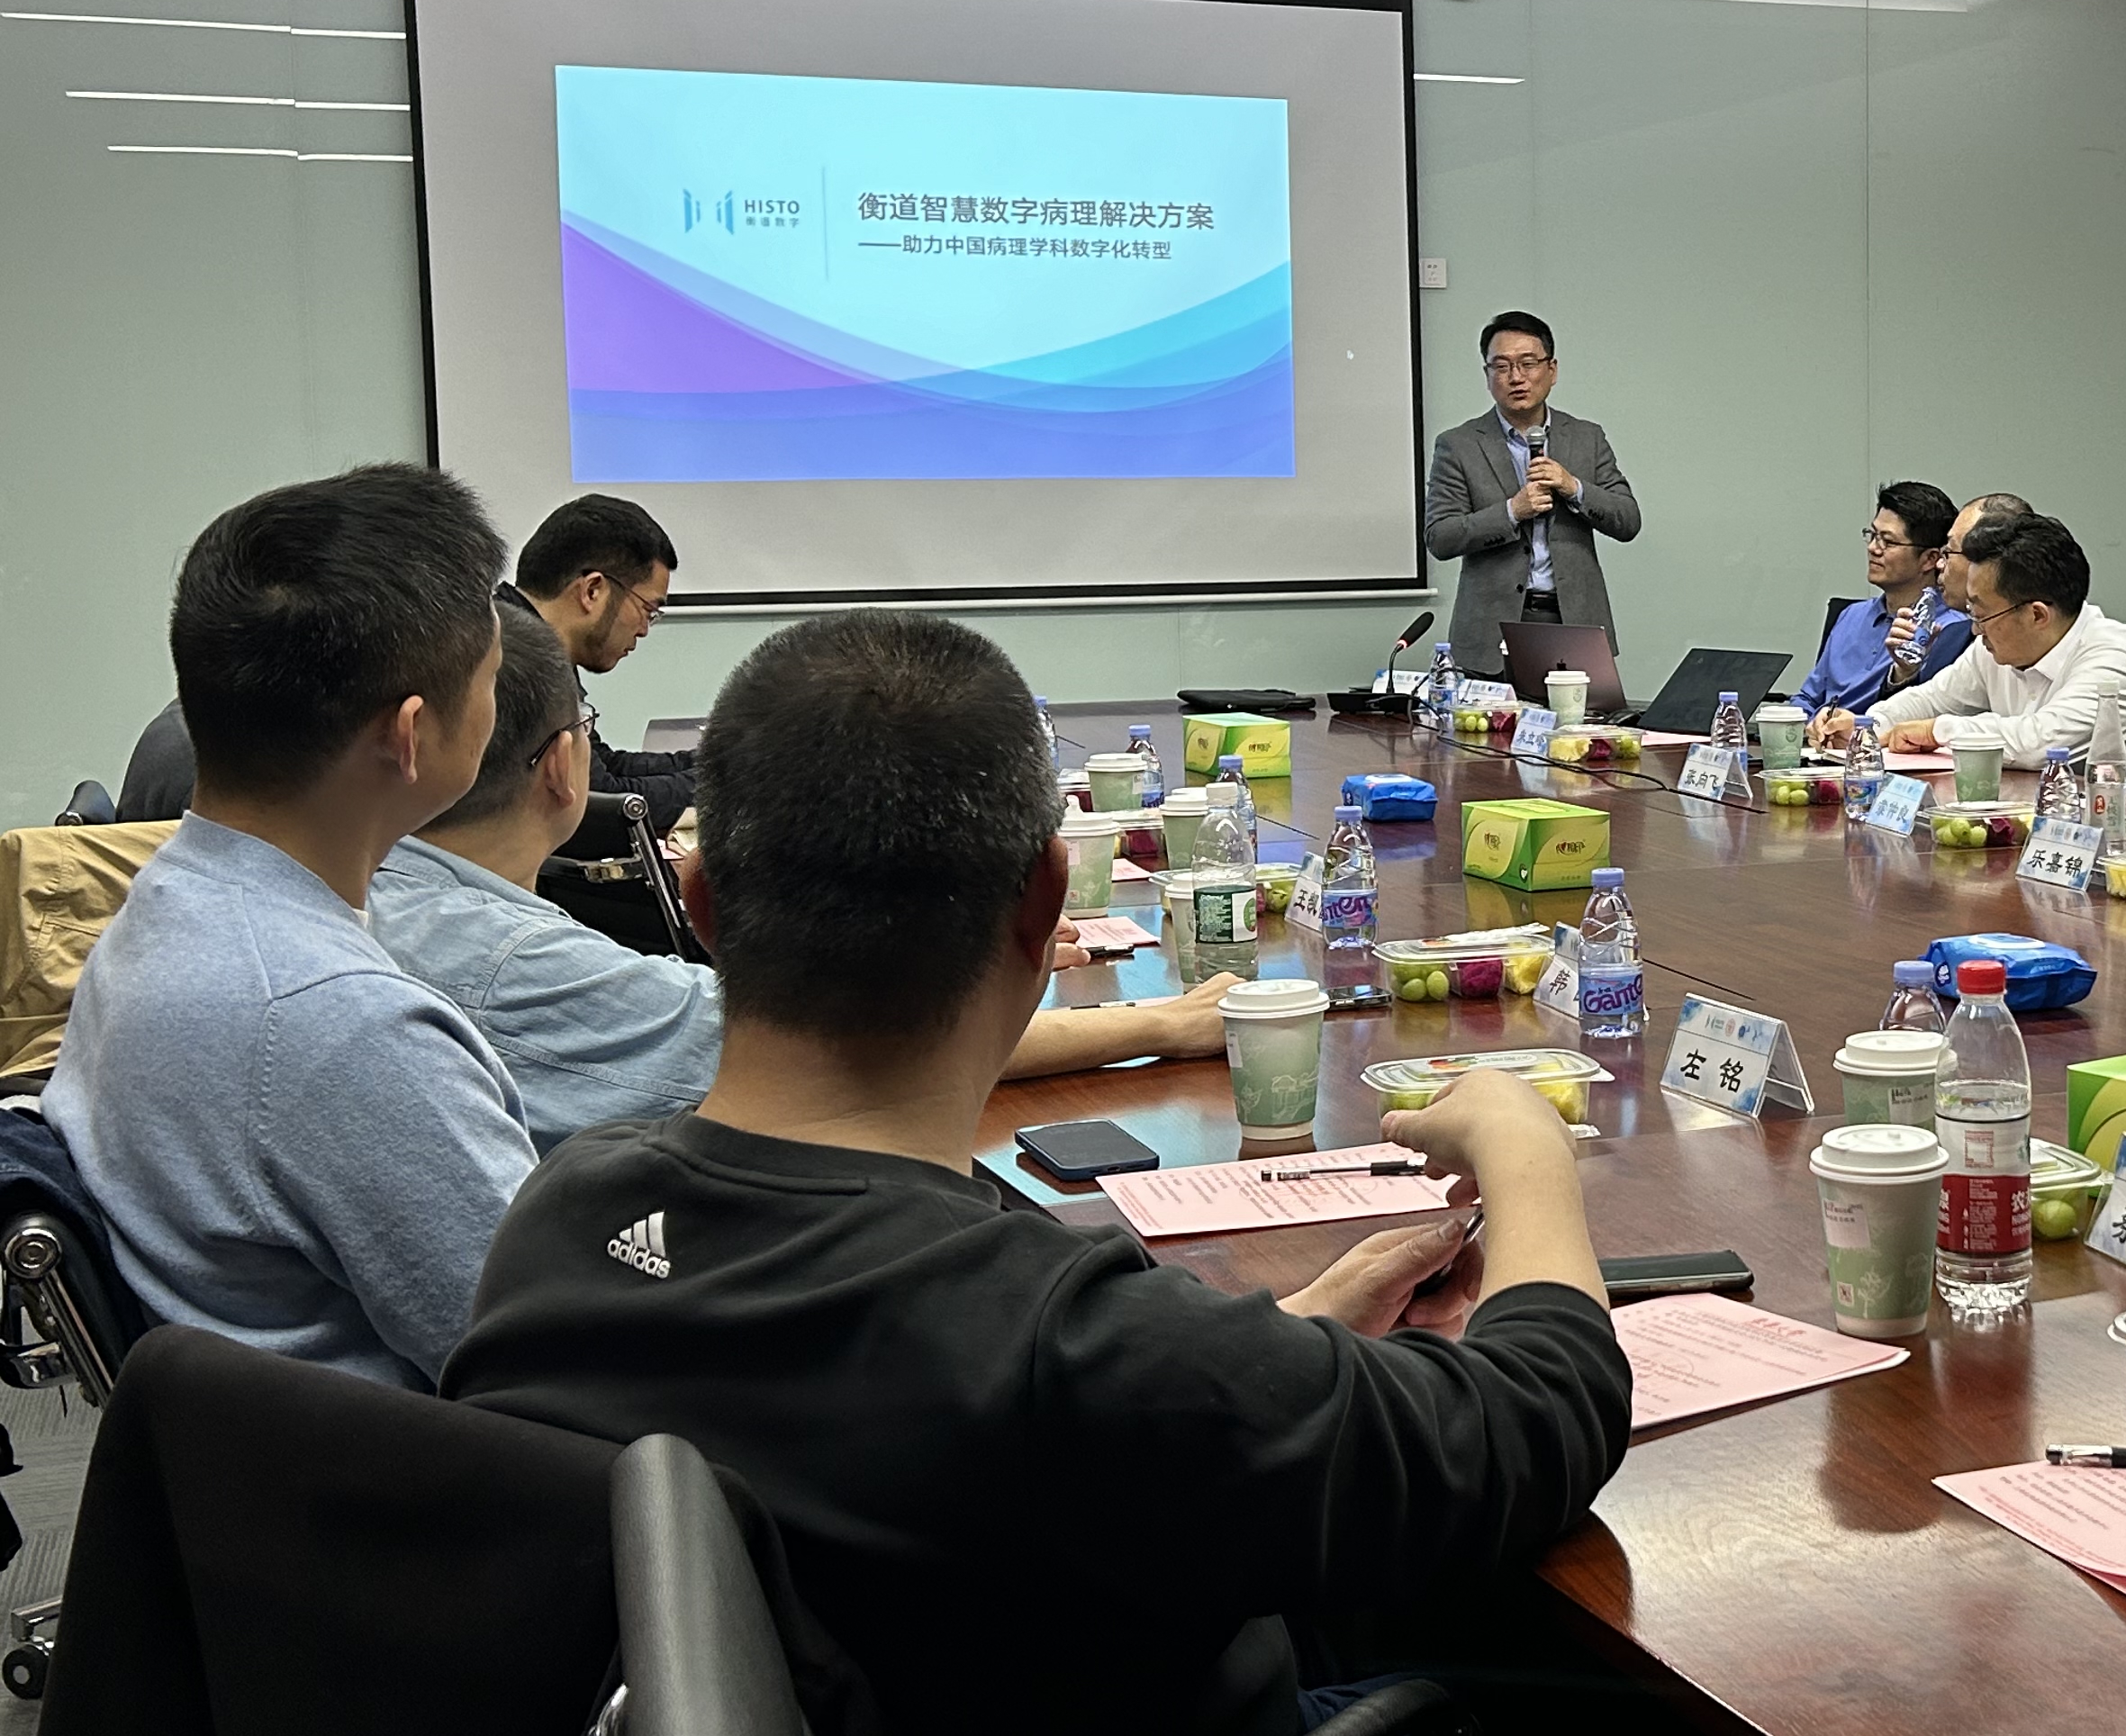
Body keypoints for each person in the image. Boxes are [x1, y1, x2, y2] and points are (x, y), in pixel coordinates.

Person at [441, 610, 1630, 1736]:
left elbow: (1015, 1406)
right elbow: (1537, 1417)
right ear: (1044, 900)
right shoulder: (1050, 1343)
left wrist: (1291, 1333)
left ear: (696, 901)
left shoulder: (561, 1219)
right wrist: (1525, 1153)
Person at [372, 601, 1244, 1149]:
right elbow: (822, 1044)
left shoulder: (380, 898)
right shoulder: (515, 964)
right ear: (565, 767)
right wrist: (1164, 1021)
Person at [44, 466, 534, 1388]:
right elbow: (572, 1368)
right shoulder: (342, 1027)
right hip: (439, 1470)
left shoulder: (169, 901)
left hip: (256, 1451)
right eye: (494, 678)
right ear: (409, 735)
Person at [1809, 511, 2126, 775]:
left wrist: (1937, 731)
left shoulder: (2114, 654)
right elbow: (1930, 699)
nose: (1975, 629)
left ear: (2036, 615)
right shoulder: (1993, 649)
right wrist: (1864, 728)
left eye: (1981, 613)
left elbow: (2041, 744)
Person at [1421, 310, 1642, 674]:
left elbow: (1628, 520)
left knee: (1580, 715)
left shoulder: (1586, 437)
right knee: (1492, 716)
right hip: (1493, 629)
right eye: (1502, 366)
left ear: (1551, 370)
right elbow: (1440, 537)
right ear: (1487, 375)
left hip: (1574, 621)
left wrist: (1573, 488)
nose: (1516, 377)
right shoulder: (1458, 445)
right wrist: (1512, 511)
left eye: (1528, 364)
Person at [513, 493, 696, 856]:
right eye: (647, 610)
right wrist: (730, 782)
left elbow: (604, 764)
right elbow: (600, 800)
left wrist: (715, 761)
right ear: (592, 590)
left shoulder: (529, 642)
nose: (644, 630)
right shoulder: (519, 665)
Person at [1796, 480, 1972, 716]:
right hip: (1819, 736)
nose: (1873, 548)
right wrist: (1806, 725)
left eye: (1887, 541)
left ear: (1930, 559)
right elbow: (1807, 698)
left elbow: (1924, 714)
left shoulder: (1953, 631)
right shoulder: (1851, 615)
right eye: (1872, 535)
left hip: (1879, 733)